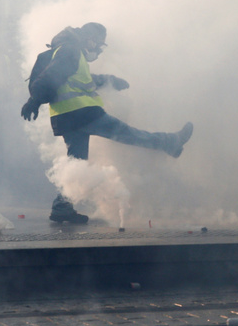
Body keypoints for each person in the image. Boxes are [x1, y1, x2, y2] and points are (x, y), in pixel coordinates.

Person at [21, 22, 193, 223]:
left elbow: (81, 79)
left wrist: (109, 80)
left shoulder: (67, 49)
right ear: (90, 39)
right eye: (98, 44)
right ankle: (169, 142)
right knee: (127, 133)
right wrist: (34, 100)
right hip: (82, 112)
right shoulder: (70, 49)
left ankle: (62, 207)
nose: (98, 49)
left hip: (66, 116)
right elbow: (51, 76)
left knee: (76, 162)